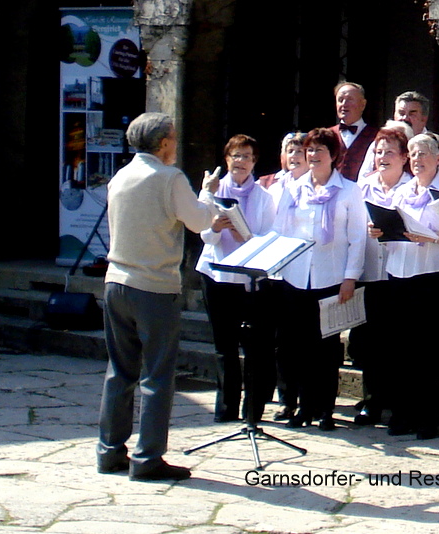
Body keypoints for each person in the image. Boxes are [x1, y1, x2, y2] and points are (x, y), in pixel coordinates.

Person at [96, 112, 218, 481]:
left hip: (117, 281)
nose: (176, 144)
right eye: (174, 138)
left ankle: (109, 451)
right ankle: (148, 459)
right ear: (164, 143)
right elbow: (200, 221)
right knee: (157, 376)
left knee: (119, 372)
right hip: (154, 287)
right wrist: (208, 190)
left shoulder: (120, 176)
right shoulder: (169, 177)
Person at [273, 127, 366, 431]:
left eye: (319, 150)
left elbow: (356, 238)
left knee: (326, 348)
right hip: (296, 276)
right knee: (297, 345)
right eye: (309, 150)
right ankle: (302, 406)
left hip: (331, 276)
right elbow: (282, 230)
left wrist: (350, 277)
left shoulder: (349, 190)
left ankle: (325, 408)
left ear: (333, 155)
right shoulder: (295, 187)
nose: (312, 156)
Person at [372, 132, 439, 439]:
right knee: (400, 349)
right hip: (398, 272)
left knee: (427, 350)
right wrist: (379, 230)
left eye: (425, 154)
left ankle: (427, 418)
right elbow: (392, 224)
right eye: (413, 154)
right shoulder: (402, 191)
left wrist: (432, 238)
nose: (418, 159)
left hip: (431, 275)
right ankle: (401, 413)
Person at [195, 134, 277, 424]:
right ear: (226, 159)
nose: (240, 161)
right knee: (223, 346)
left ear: (254, 161)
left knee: (253, 347)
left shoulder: (265, 198)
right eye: (235, 156)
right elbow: (203, 235)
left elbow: (268, 237)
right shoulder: (211, 192)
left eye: (246, 156)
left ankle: (252, 410)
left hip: (248, 280)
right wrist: (215, 226)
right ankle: (226, 406)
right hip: (216, 273)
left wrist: (245, 236)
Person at [351, 127, 412, 426]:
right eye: (378, 152)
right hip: (369, 273)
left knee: (398, 342)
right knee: (369, 342)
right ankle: (371, 401)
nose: (382, 157)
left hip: (400, 275)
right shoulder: (362, 187)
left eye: (389, 152)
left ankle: (400, 404)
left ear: (404, 157)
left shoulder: (412, 188)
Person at [358, 91, 439, 182]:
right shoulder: (380, 143)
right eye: (401, 113)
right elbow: (363, 179)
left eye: (412, 114)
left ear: (424, 118)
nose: (405, 118)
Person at [330, 82, 378, 181]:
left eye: (349, 100)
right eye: (340, 100)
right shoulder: (327, 135)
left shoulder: (377, 136)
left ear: (363, 104)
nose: (344, 104)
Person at [265, 132, 309, 208]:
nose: (293, 155)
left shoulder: (316, 186)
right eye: (290, 151)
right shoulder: (275, 188)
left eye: (299, 151)